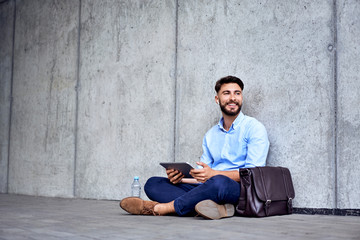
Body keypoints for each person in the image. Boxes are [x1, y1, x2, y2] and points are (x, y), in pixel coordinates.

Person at [120, 75, 269, 219]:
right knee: (153, 183)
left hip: (238, 189)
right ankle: (213, 208)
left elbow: (253, 174)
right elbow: (203, 177)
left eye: (237, 93)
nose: (233, 98)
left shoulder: (254, 128)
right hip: (210, 186)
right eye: (226, 93)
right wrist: (181, 179)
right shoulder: (211, 135)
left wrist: (213, 174)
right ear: (217, 99)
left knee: (218, 182)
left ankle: (162, 208)